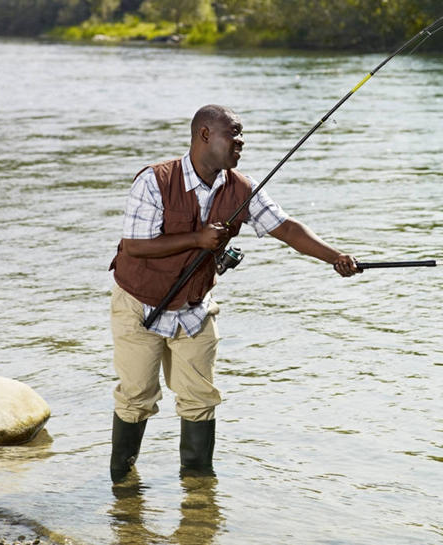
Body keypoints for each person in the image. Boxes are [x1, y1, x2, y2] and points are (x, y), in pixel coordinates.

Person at [108, 104, 358, 483]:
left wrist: (334, 257)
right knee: (137, 396)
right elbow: (136, 245)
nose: (240, 142)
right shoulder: (155, 180)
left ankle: (198, 495)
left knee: (200, 398)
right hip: (138, 303)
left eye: (241, 135)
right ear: (204, 135)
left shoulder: (242, 187)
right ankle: (122, 490)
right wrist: (198, 238)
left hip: (194, 307)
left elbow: (287, 228)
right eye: (233, 134)